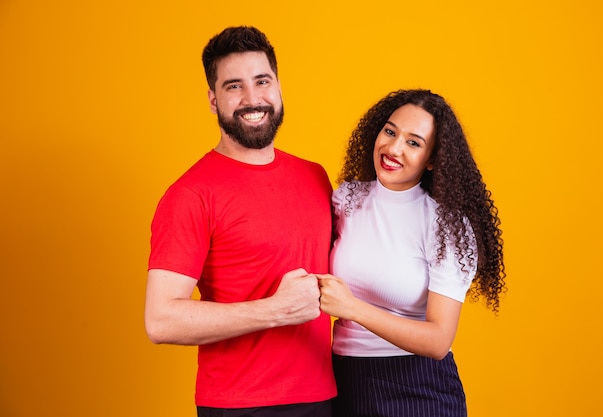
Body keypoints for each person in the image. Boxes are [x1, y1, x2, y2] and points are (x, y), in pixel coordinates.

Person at [144, 26, 336, 417]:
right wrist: (275, 310)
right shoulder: (190, 194)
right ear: (213, 100)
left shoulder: (315, 177)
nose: (253, 99)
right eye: (234, 86)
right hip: (241, 405)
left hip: (325, 396)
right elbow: (161, 320)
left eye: (262, 81)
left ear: (279, 87)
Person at [317, 89, 506, 417]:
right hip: (345, 383)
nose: (393, 148)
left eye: (413, 142)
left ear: (433, 159)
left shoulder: (446, 226)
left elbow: (438, 341)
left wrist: (352, 308)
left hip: (418, 390)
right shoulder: (346, 200)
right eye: (390, 132)